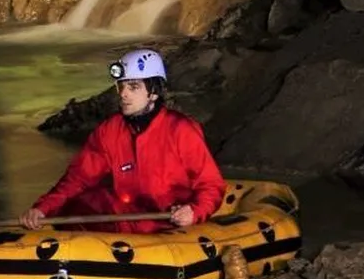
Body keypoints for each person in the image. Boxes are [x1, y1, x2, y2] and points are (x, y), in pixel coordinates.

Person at [20, 49, 226, 234]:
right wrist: (43, 208)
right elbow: (79, 178)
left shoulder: (180, 129)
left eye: (133, 87)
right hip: (130, 220)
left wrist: (194, 211)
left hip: (168, 222)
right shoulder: (110, 130)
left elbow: (211, 183)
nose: (123, 94)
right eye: (121, 86)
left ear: (153, 93)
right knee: (76, 206)